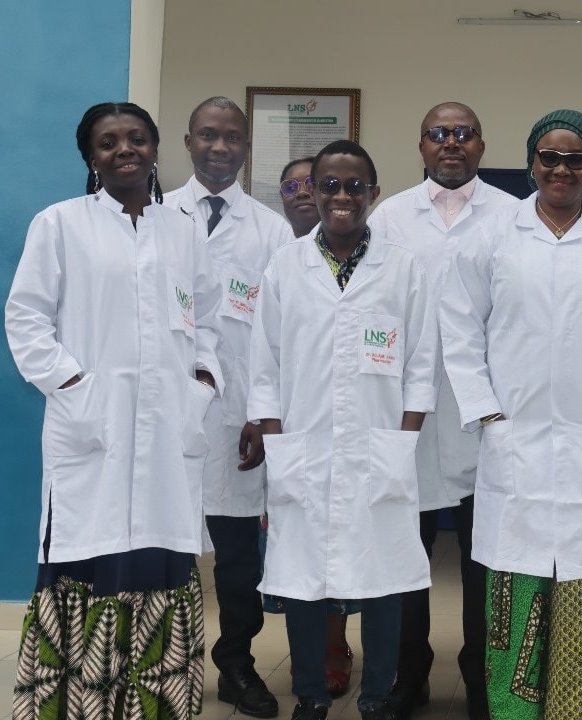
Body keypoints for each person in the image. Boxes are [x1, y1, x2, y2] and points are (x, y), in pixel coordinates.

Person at [440, 109, 582, 720]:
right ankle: (515, 710)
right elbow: (459, 329)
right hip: (513, 441)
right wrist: (486, 412)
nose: (561, 169)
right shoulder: (493, 235)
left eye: (575, 159)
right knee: (516, 576)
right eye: (549, 157)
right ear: (532, 164)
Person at [6, 101, 223, 720]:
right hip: (91, 431)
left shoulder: (183, 230)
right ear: (90, 157)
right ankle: (78, 706)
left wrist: (202, 381)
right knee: (87, 554)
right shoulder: (60, 224)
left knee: (162, 554)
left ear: (155, 149)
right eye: (108, 142)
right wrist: (75, 385)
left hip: (168, 432)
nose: (124, 150)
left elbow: (207, 317)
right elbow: (25, 318)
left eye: (136, 139)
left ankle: (156, 706)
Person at [248, 140, 437, 720]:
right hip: (302, 446)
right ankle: (310, 693)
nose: (341, 196)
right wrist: (278, 444)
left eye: (355, 186)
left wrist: (402, 442)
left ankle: (376, 695)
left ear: (373, 194)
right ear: (312, 191)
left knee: (384, 574)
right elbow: (264, 365)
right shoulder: (286, 266)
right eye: (328, 185)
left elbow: (421, 365)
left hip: (380, 447)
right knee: (302, 574)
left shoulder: (403, 267)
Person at [367, 101, 517, 720]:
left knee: (488, 553)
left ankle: (482, 672)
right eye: (438, 134)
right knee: (407, 550)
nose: (450, 143)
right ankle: (411, 672)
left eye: (463, 133)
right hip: (410, 410)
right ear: (421, 145)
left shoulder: (513, 215)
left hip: (487, 410)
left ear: (481, 143)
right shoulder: (389, 216)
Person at [166, 96, 294, 719]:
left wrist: (265, 414)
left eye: (232, 137)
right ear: (188, 141)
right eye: (208, 135)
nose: (220, 147)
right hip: (166, 415)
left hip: (241, 417)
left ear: (246, 146)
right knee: (164, 546)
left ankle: (236, 664)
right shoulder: (157, 216)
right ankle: (165, 662)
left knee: (239, 559)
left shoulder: (272, 231)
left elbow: (281, 335)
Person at [275, 154, 358, 696]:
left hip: (352, 428)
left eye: (316, 182)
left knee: (344, 545)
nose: (306, 192)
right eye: (294, 186)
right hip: (293, 428)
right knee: (296, 551)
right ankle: (305, 656)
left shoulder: (370, 255)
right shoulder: (277, 255)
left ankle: (334, 644)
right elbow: (263, 352)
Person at [279, 157, 320, 237]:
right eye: (291, 187)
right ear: (282, 196)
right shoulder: (273, 243)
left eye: (312, 184)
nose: (302, 193)